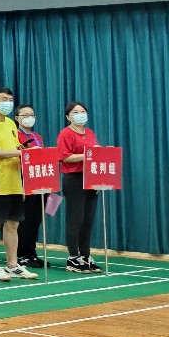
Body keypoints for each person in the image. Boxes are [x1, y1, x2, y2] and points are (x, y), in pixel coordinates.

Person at [0, 87, 38, 282]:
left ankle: (12, 264)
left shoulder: (11, 123)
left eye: (10, 100)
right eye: (4, 99)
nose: (8, 103)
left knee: (13, 224)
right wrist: (19, 153)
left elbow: (12, 148)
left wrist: (23, 150)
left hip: (14, 180)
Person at [57, 102, 103, 273]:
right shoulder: (66, 133)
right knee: (75, 219)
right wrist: (86, 155)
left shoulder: (90, 132)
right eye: (75, 112)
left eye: (83, 111)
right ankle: (73, 257)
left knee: (88, 219)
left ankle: (85, 255)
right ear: (68, 117)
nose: (80, 114)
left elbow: (96, 152)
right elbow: (64, 157)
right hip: (74, 179)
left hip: (90, 178)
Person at [13, 104, 47, 269]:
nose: (29, 118)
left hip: (39, 180)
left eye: (31, 115)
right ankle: (22, 254)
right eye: (25, 115)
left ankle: (31, 252)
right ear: (17, 118)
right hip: (23, 180)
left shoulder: (37, 136)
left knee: (35, 219)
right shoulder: (15, 135)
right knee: (24, 221)